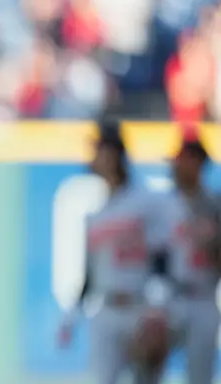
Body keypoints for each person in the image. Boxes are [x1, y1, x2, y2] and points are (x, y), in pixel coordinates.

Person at [57, 121, 173, 384]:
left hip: (140, 307)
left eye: (98, 150)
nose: (93, 157)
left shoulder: (145, 201)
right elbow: (90, 274)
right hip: (106, 309)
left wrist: (158, 307)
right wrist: (71, 316)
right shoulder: (96, 213)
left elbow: (163, 258)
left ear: (112, 154)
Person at [164, 126, 221, 384]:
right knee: (147, 366)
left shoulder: (214, 205)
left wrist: (211, 245)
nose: (176, 166)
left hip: (204, 295)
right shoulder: (163, 204)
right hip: (168, 296)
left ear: (197, 163)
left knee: (200, 375)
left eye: (183, 160)